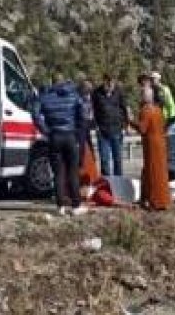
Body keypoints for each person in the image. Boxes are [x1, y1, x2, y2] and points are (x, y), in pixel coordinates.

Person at [34, 75, 87, 216]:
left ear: (52, 82)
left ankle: (60, 207)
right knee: (73, 172)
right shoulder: (74, 96)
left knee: (58, 173)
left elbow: (35, 114)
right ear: (64, 82)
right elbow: (83, 115)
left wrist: (45, 130)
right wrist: (78, 132)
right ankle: (76, 206)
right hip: (70, 136)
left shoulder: (45, 97)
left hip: (54, 136)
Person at [136, 85, 171, 211]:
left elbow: (142, 129)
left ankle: (154, 201)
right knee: (161, 172)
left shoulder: (145, 111)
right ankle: (163, 200)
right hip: (160, 142)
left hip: (151, 144)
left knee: (152, 171)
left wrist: (130, 121)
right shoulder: (158, 109)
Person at [92, 75, 129, 178]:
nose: (109, 86)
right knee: (104, 159)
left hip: (117, 129)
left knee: (117, 158)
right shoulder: (96, 93)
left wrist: (125, 126)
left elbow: (124, 109)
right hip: (102, 131)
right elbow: (94, 110)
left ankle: (119, 181)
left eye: (111, 84)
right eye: (107, 84)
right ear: (104, 82)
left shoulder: (119, 92)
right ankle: (107, 182)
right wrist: (96, 126)